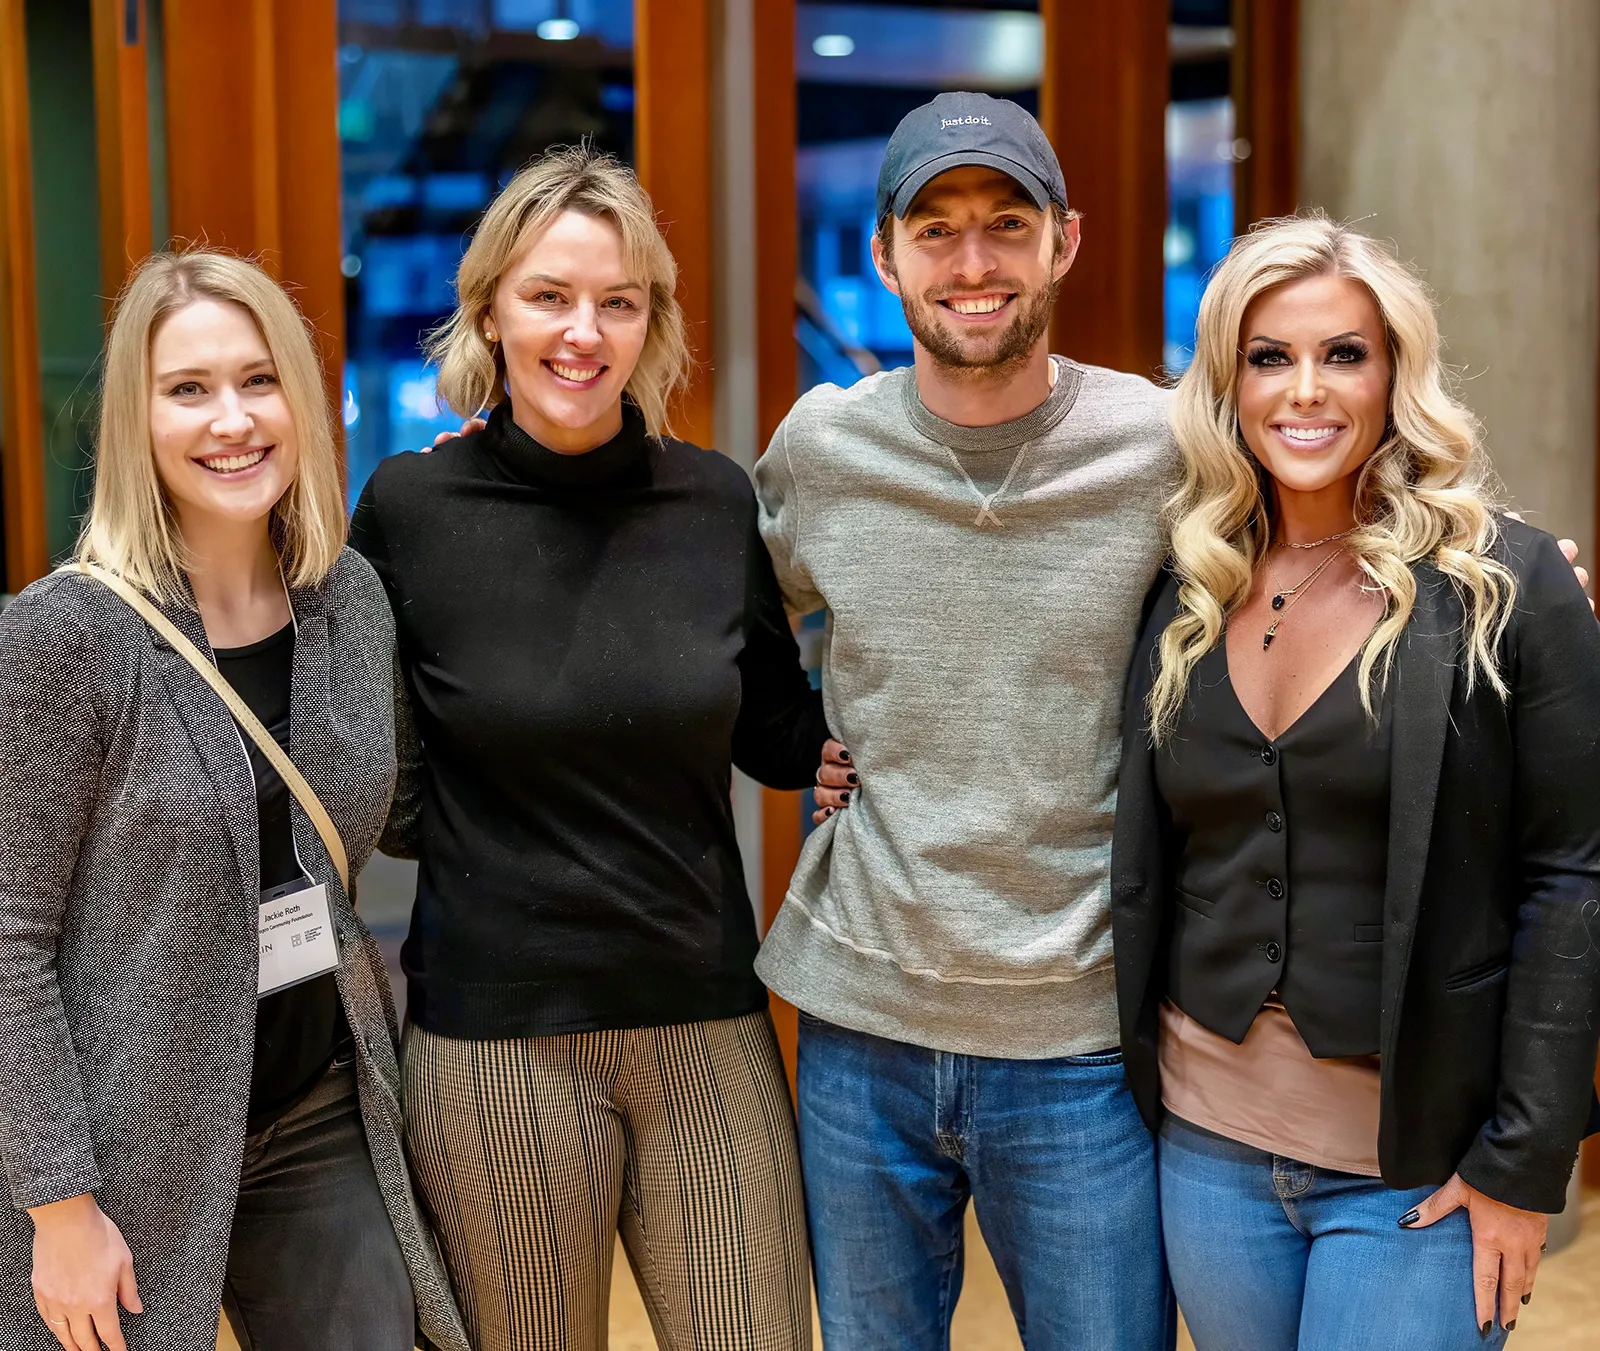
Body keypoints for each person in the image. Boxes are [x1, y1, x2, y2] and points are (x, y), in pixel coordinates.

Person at [349, 145, 827, 1351]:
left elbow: (782, 734)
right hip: (492, 1045)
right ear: (490, 311)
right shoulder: (409, 511)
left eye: (617, 301)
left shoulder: (714, 501)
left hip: (704, 1023)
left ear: (650, 321)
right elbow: (374, 771)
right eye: (549, 296)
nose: (582, 331)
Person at [1109, 216, 1600, 1351]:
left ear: (1394, 374)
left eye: (1344, 353)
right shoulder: (1185, 590)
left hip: (1417, 1167)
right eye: (1269, 357)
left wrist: (1528, 1165)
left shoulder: (1508, 587)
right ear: (1228, 383)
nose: (1304, 391)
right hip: (1208, 1148)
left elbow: (1571, 879)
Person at [755, 92, 1177, 1350]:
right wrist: (799, 747)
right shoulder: (823, 447)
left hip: (1081, 1037)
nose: (974, 261)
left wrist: (1511, 569)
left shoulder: (1162, 445)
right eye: (934, 230)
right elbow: (697, 605)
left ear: (1067, 241)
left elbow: (1334, 517)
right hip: (859, 1023)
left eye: (1007, 222)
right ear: (884, 256)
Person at [0, 252, 467, 1351]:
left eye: (259, 380)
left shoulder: (346, 599)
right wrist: (58, 1205)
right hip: (120, 1138)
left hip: (313, 1105)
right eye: (188, 389)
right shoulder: (65, 639)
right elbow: (7, 939)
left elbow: (397, 812)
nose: (232, 419)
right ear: (136, 419)